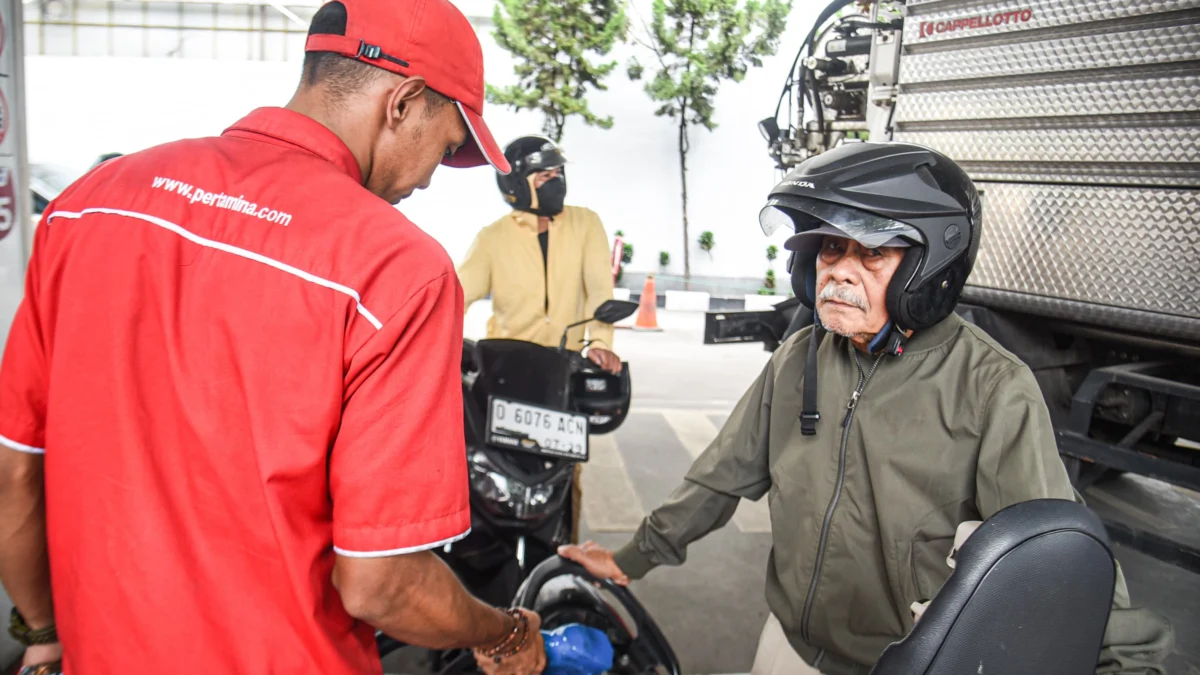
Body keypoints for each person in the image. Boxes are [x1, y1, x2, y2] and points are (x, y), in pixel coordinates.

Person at [0, 1, 548, 673]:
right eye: (446, 145)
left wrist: (44, 628)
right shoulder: (396, 271)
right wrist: (502, 630)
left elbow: (17, 469)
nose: (433, 174)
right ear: (402, 101)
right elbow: (382, 582)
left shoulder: (89, 205)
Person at [559, 142, 1173, 674]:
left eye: (871, 254)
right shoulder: (801, 355)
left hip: (902, 661)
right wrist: (631, 555)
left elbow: (1055, 549)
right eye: (829, 250)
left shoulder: (990, 387)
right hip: (788, 647)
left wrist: (1121, 660)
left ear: (928, 266)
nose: (838, 274)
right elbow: (721, 475)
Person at [457, 135, 622, 374]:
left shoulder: (586, 223)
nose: (557, 182)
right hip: (507, 364)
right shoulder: (492, 238)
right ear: (518, 185)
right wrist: (448, 344)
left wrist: (600, 343)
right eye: (545, 176)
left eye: (558, 174)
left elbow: (599, 292)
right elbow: (456, 297)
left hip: (566, 362)